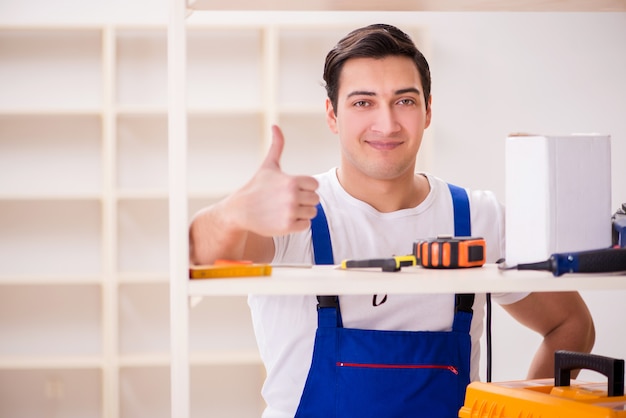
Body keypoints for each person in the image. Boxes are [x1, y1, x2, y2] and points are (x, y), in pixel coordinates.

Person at [189, 23, 595, 417]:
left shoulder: (476, 217)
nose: (386, 123)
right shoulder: (293, 213)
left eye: (404, 100)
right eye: (363, 102)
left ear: (428, 110)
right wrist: (234, 213)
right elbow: (194, 255)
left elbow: (570, 323)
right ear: (332, 114)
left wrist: (522, 413)